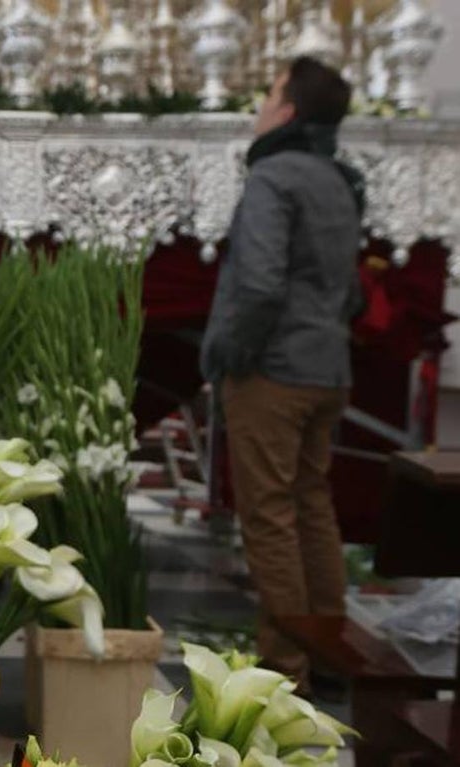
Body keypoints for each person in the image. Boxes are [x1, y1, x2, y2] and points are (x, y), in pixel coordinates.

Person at [200, 57, 365, 693]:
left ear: (288, 111)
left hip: (274, 371)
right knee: (311, 505)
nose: (262, 107)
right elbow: (348, 287)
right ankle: (331, 654)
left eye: (269, 95)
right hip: (328, 368)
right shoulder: (339, 179)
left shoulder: (272, 177)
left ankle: (283, 671)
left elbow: (261, 285)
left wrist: (229, 354)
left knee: (268, 515)